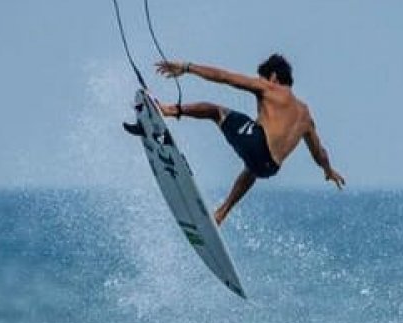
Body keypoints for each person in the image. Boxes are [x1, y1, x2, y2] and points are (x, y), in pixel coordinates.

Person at [128, 54, 345, 225]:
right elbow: (319, 153)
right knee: (251, 170)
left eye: (262, 78)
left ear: (273, 77)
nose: (260, 82)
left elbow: (225, 77)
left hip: (257, 145)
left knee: (216, 112)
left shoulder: (270, 88)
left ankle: (166, 110)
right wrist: (328, 170)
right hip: (269, 168)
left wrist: (187, 67)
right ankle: (221, 214)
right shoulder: (305, 115)